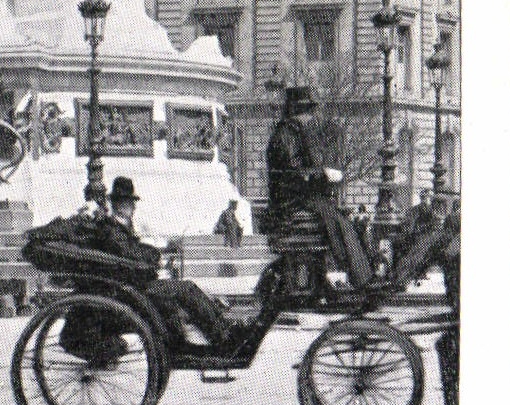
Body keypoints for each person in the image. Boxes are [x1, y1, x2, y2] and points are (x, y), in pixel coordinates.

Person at [97, 176, 253, 353]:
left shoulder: (119, 225)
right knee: (186, 289)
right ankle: (223, 336)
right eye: (129, 202)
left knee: (185, 289)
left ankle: (222, 332)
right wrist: (155, 256)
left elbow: (132, 251)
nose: (133, 207)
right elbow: (129, 254)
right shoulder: (112, 227)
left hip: (134, 285)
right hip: (132, 289)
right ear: (120, 204)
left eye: (131, 202)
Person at [265, 86, 372, 289]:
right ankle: (362, 279)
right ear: (296, 113)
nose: (311, 117)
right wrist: (323, 174)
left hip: (300, 198)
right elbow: (293, 174)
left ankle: (363, 275)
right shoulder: (286, 134)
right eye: (307, 112)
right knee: (338, 222)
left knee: (342, 219)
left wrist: (324, 174)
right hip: (289, 201)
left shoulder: (295, 133)